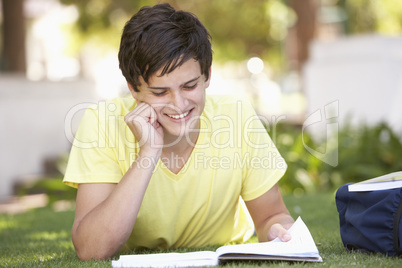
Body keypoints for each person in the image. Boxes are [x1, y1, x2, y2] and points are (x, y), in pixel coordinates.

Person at [63, 3, 294, 261]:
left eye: (189, 86)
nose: (179, 104)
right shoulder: (101, 123)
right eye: (160, 92)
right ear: (133, 88)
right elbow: (91, 249)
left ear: (206, 75)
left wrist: (277, 230)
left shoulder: (236, 115)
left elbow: (271, 216)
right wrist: (148, 152)